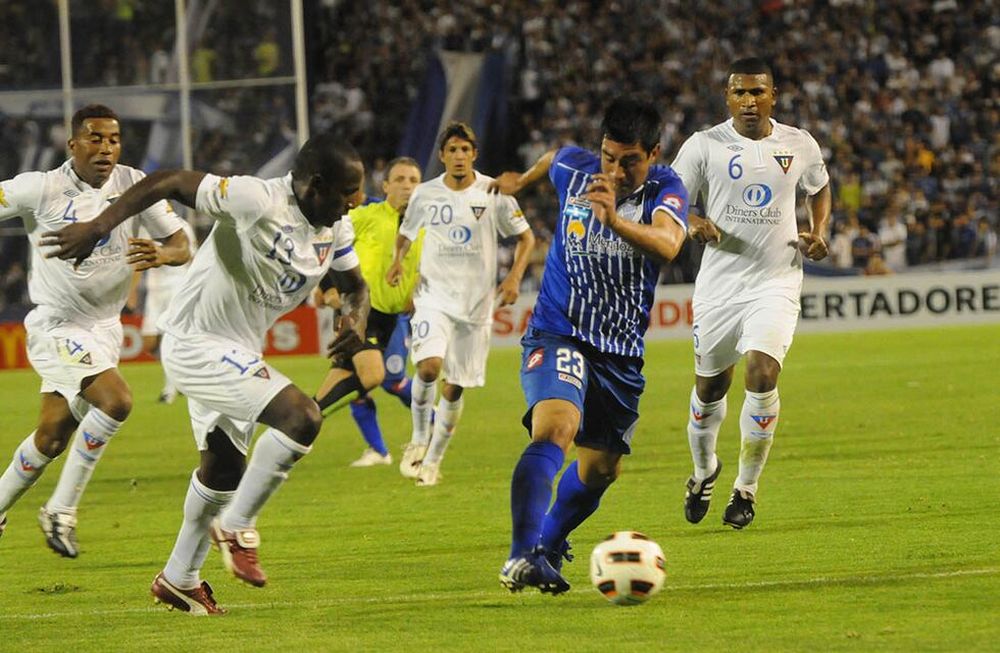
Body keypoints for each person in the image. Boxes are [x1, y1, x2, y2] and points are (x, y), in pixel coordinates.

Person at [43, 131, 369, 615]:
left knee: (223, 471)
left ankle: (179, 579)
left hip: (237, 351)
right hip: (194, 342)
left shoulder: (333, 228)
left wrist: (354, 321)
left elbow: (356, 287)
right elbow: (169, 180)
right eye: (346, 194)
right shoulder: (256, 198)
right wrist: (96, 227)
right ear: (315, 185)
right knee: (301, 417)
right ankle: (237, 528)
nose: (352, 205)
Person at [492, 97, 688, 593]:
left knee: (601, 469)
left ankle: (549, 543)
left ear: (655, 154)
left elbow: (667, 244)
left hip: (619, 354)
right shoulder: (573, 169)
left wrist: (615, 221)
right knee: (557, 427)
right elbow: (552, 157)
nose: (616, 170)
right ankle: (521, 555)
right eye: (608, 156)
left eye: (630, 160)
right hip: (558, 330)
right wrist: (520, 181)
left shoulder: (667, 189)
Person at [0, 104, 190, 558]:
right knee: (117, 400)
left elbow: (183, 243)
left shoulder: (135, 186)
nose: (106, 147)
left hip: (104, 328)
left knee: (50, 436)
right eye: (95, 138)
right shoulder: (40, 189)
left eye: (113, 139)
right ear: (73, 144)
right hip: (57, 325)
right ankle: (61, 510)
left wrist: (164, 255)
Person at [671, 58, 831, 530]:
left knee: (762, 374)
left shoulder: (798, 143)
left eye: (757, 92)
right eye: (740, 93)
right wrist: (692, 221)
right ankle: (703, 472)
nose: (749, 101)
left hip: (776, 280)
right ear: (727, 97)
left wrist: (819, 230)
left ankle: (746, 489)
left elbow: (818, 188)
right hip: (720, 285)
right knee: (710, 387)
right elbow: (670, 198)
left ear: (773, 96)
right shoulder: (704, 146)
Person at [387, 122, 534, 487]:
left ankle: (434, 462)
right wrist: (396, 262)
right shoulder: (424, 194)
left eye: (464, 150)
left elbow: (526, 238)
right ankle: (419, 440)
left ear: (474, 155)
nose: (458, 156)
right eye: (452, 150)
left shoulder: (492, 192)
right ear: (442, 156)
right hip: (433, 296)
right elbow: (405, 234)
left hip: (476, 305)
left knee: (453, 388)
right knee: (427, 368)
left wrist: (514, 276)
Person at [312, 156, 424, 467]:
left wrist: (420, 292)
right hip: (360, 310)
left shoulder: (425, 225)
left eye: (413, 180)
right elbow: (329, 239)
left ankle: (298, 426)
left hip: (390, 317)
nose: (407, 186)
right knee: (377, 376)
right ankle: (426, 425)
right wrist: (325, 287)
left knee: (348, 382)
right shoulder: (367, 215)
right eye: (399, 179)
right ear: (385, 185)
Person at [128, 218, 197, 403]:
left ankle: (170, 390)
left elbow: (192, 257)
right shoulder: (145, 228)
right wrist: (132, 291)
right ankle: (182, 379)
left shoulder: (183, 227)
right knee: (149, 343)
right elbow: (137, 263)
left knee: (170, 340)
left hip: (177, 289)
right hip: (154, 293)